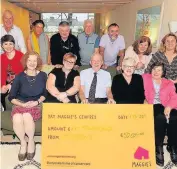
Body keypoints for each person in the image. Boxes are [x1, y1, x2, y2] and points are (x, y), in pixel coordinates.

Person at [8, 51, 47, 161]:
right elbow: (11, 97)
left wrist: (37, 102)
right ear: (25, 62)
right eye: (29, 60)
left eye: (35, 60)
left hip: (36, 104)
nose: (32, 63)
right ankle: (23, 142)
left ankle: (30, 141)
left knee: (26, 116)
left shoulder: (43, 75)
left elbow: (45, 94)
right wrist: (22, 104)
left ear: (38, 62)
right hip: (21, 103)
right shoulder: (19, 76)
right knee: (17, 117)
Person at [143, 62, 177, 167]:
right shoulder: (144, 78)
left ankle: (172, 146)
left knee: (175, 118)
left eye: (159, 70)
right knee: (160, 118)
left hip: (167, 105)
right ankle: (158, 147)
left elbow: (174, 97)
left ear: (163, 72)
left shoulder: (169, 83)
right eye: (154, 69)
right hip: (152, 105)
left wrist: (169, 106)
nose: (156, 72)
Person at [1, 35, 24, 110]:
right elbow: (2, 73)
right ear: (2, 46)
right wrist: (3, 85)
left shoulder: (20, 56)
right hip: (8, 82)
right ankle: (4, 113)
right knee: (2, 94)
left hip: (21, 82)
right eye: (5, 44)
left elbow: (22, 74)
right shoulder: (1, 57)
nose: (8, 46)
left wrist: (11, 85)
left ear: (14, 45)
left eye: (10, 44)